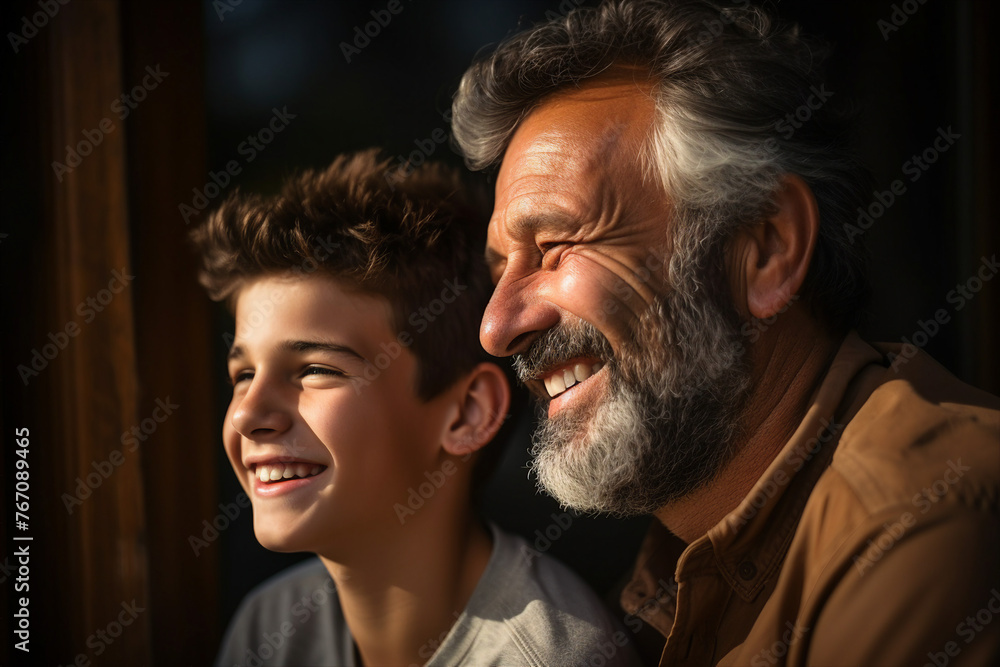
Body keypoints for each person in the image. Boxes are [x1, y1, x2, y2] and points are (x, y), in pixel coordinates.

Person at [450, 1, 1000, 665]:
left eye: (556, 245)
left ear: (766, 251)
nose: (496, 327)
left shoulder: (919, 524)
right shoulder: (670, 567)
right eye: (498, 271)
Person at [191, 150, 641, 667]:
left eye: (315, 369)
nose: (247, 416)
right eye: (244, 375)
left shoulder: (556, 658)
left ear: (467, 414)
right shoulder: (269, 627)